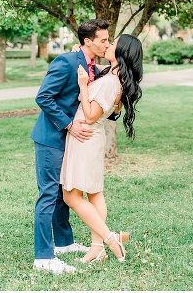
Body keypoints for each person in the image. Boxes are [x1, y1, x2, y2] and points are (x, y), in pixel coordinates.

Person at [31, 19, 113, 274]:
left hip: (70, 140)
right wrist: (68, 125)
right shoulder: (65, 62)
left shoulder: (92, 67)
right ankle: (43, 258)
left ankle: (64, 243)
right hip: (50, 138)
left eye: (108, 40)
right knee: (48, 195)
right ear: (87, 41)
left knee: (62, 192)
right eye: (103, 40)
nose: (107, 44)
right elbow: (43, 96)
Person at [61, 34, 143, 263]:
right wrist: (82, 52)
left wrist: (82, 87)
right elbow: (91, 66)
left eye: (112, 43)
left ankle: (109, 239)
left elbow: (89, 116)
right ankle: (97, 248)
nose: (108, 45)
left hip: (85, 138)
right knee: (94, 192)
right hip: (90, 138)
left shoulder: (110, 82)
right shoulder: (112, 75)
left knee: (71, 196)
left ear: (121, 52)